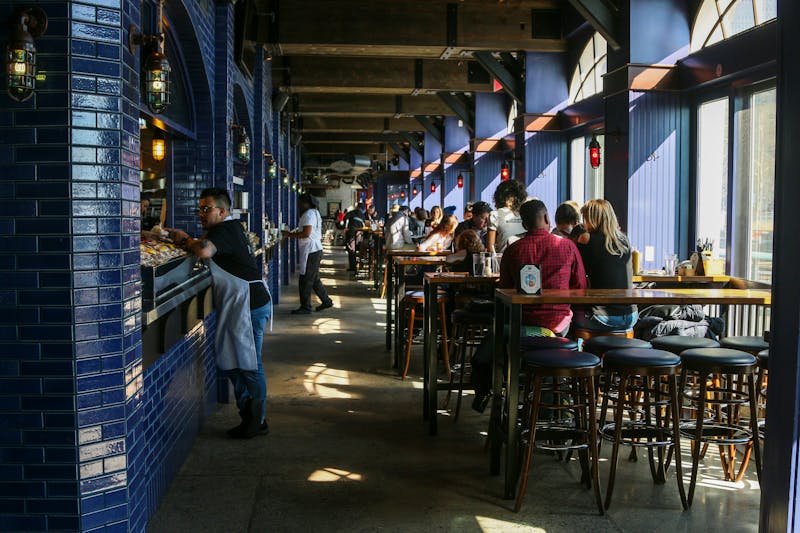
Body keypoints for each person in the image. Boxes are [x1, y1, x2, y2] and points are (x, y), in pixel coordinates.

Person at [166, 188, 271, 438]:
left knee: (249, 365)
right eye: (199, 208)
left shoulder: (225, 229)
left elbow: (203, 251)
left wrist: (184, 239)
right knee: (232, 363)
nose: (201, 213)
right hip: (240, 304)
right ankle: (250, 413)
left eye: (206, 208)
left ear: (222, 211)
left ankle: (258, 421)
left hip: (249, 305)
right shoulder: (224, 230)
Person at [470, 199, 587, 412]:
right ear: (546, 218)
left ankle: (497, 390)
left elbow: (504, 288)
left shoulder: (514, 250)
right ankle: (552, 399)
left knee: (497, 338)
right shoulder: (568, 246)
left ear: (524, 224)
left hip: (521, 324)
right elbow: (580, 285)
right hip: (558, 326)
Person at [570, 198, 638, 331]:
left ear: (592, 219)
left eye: (585, 219)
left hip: (604, 318)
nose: (584, 223)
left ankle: (581, 351)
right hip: (631, 316)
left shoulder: (586, 239)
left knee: (569, 318)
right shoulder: (624, 240)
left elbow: (575, 273)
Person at [282, 193, 334, 315]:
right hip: (314, 250)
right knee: (313, 279)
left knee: (305, 279)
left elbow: (306, 233)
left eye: (300, 202)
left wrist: (288, 235)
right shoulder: (313, 213)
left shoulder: (309, 214)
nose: (298, 205)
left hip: (312, 251)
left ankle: (306, 307)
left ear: (307, 203)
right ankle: (326, 301)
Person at [486, 179, 527, 253]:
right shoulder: (525, 214)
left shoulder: (495, 215)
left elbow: (490, 248)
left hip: (504, 260)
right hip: (524, 258)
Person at [343, 203, 366, 271]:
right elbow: (364, 224)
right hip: (359, 235)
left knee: (351, 250)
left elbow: (345, 218)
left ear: (356, 207)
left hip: (351, 233)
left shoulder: (351, 212)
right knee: (360, 250)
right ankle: (361, 265)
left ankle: (353, 267)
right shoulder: (363, 215)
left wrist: (345, 226)